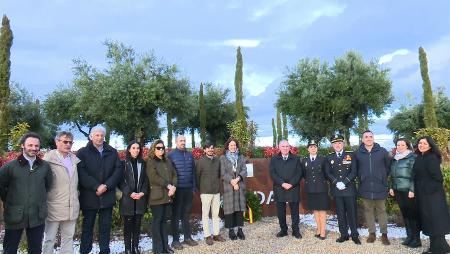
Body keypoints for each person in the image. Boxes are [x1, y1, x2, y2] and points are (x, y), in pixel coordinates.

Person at [0, 132, 53, 254]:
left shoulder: (45, 166)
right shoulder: (10, 167)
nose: (34, 148)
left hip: (37, 215)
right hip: (15, 214)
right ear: (22, 145)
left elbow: (48, 186)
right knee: (10, 249)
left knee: (35, 249)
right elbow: (1, 186)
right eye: (30, 145)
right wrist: (8, 199)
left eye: (36, 146)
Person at [77, 125, 123, 254]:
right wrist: (96, 186)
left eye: (102, 135)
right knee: (87, 227)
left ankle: (104, 251)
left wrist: (106, 185)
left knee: (105, 227)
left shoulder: (112, 152)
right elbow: (81, 173)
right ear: (91, 136)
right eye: (97, 135)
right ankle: (85, 251)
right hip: (89, 196)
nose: (99, 137)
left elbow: (118, 170)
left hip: (107, 195)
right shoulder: (82, 152)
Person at [42, 131, 81, 254]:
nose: (68, 144)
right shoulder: (48, 160)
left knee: (68, 238)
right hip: (54, 206)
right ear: (57, 142)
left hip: (71, 206)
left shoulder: (75, 160)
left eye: (70, 142)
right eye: (65, 141)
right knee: (49, 239)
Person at [413, 136, 450, 254]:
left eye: (424, 143)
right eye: (420, 143)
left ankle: (438, 250)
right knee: (429, 222)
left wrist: (425, 190)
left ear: (430, 145)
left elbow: (438, 179)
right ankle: (437, 248)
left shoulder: (431, 158)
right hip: (424, 195)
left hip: (433, 196)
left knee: (435, 222)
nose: (421, 145)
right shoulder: (420, 157)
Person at [353, 130, 391, 245]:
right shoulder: (358, 153)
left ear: (373, 138)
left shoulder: (382, 151)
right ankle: (372, 233)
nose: (368, 138)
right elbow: (355, 169)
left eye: (370, 136)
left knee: (382, 211)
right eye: (366, 137)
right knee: (368, 211)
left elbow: (388, 167)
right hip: (365, 186)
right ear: (362, 139)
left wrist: (382, 177)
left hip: (380, 186)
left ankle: (384, 234)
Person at [325, 135, 360, 244]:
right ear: (332, 145)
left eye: (339, 143)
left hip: (349, 189)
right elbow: (328, 173)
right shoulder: (329, 157)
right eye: (335, 143)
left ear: (343, 144)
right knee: (340, 213)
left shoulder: (350, 155)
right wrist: (336, 183)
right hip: (337, 190)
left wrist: (344, 182)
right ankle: (344, 234)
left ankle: (354, 235)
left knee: (352, 213)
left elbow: (354, 171)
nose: (337, 145)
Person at [388, 138, 421, 248]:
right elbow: (392, 175)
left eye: (403, 145)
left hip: (408, 191)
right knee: (405, 214)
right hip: (398, 191)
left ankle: (416, 239)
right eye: (398, 145)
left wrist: (412, 190)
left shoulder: (412, 157)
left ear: (407, 146)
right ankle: (409, 236)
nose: (400, 147)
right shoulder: (395, 159)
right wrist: (392, 187)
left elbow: (415, 175)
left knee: (412, 215)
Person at [147, 139, 177, 254]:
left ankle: (165, 247)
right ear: (153, 149)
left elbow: (174, 174)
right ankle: (158, 249)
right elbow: (153, 177)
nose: (161, 150)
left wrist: (173, 186)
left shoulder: (167, 161)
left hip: (168, 196)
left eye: (162, 148)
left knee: (164, 222)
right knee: (157, 222)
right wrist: (168, 185)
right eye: (158, 148)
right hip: (157, 197)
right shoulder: (150, 161)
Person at [119, 140, 149, 254]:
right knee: (128, 226)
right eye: (133, 148)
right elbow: (120, 181)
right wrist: (129, 193)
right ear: (129, 149)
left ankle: (135, 247)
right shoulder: (123, 163)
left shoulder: (143, 163)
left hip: (140, 199)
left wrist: (142, 192)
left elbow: (146, 180)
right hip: (128, 199)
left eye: (138, 148)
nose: (136, 150)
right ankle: (127, 248)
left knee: (137, 225)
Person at [168, 135, 198, 249]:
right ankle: (175, 240)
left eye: (184, 141)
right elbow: (169, 173)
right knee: (175, 215)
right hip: (177, 189)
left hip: (188, 189)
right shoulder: (171, 155)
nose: (183, 142)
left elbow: (193, 173)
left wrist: (194, 187)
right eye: (181, 141)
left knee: (186, 214)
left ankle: (187, 237)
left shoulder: (190, 155)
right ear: (176, 142)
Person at [269, 140, 303, 239]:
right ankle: (283, 230)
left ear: (290, 147)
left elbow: (299, 173)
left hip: (293, 187)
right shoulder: (274, 159)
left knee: (295, 212)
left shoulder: (296, 158)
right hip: (279, 188)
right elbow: (272, 173)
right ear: (279, 147)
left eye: (287, 146)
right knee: (281, 212)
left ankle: (296, 231)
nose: (285, 148)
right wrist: (282, 183)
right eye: (283, 146)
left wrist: (291, 183)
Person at [196, 141, 226, 245]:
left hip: (216, 192)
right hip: (205, 192)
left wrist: (218, 188)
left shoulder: (217, 161)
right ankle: (207, 236)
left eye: (212, 148)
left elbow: (219, 175)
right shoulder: (200, 161)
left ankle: (216, 234)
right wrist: (200, 190)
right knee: (205, 215)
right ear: (204, 150)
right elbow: (197, 177)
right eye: (208, 148)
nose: (210, 150)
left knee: (216, 214)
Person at [220, 138, 247, 240]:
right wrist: (232, 181)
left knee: (239, 209)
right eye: (231, 145)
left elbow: (244, 170)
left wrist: (238, 178)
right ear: (228, 146)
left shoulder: (241, 157)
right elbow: (223, 173)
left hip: (239, 187)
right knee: (230, 210)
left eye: (235, 145)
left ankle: (240, 230)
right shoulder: (223, 158)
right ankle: (231, 231)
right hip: (229, 187)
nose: (233, 147)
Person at [303, 140, 330, 240]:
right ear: (308, 149)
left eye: (315, 147)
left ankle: (323, 231)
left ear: (317, 148)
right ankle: (318, 229)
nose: (313, 148)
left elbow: (327, 173)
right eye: (311, 147)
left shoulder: (323, 159)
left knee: (322, 210)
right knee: (315, 209)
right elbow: (304, 174)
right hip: (310, 188)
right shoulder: (304, 160)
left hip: (321, 188)